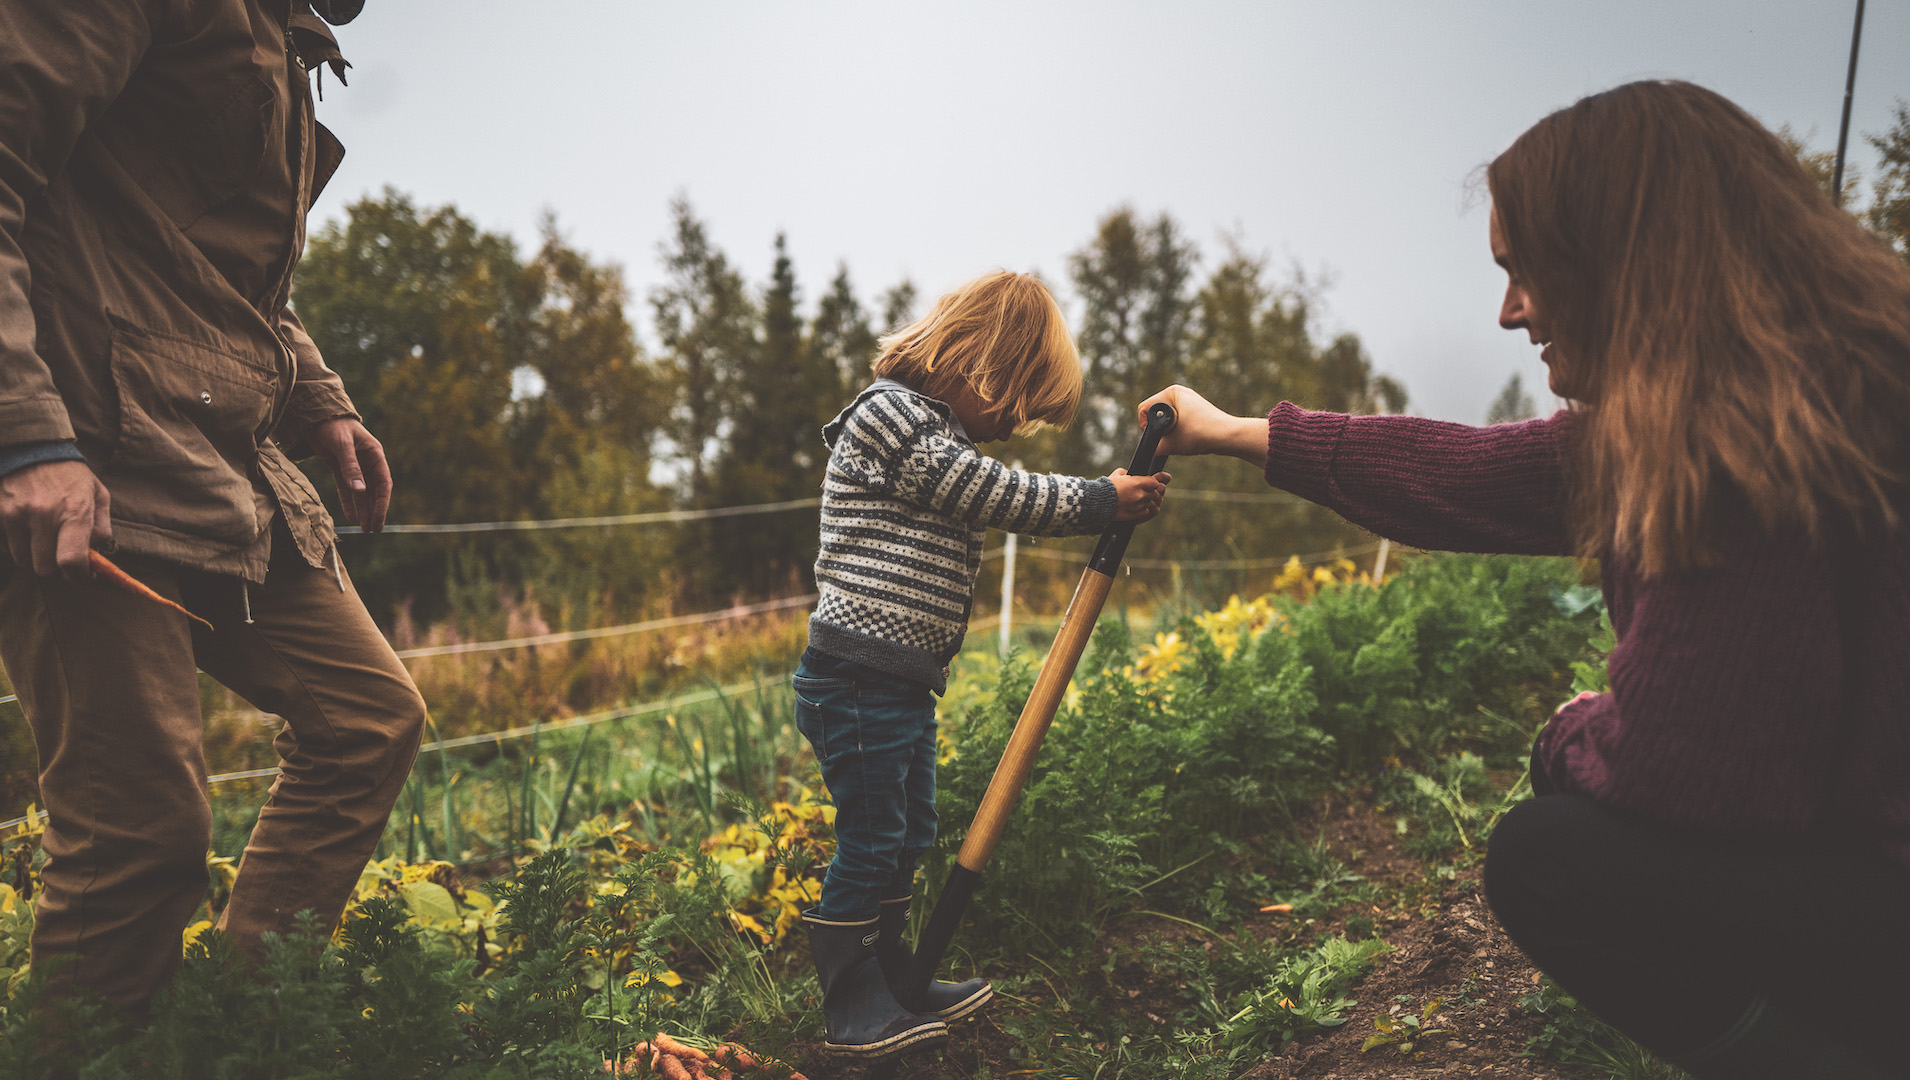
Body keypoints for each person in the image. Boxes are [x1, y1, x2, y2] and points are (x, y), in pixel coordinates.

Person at [1141, 80, 1910, 1079]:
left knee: (1549, 862)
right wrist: (1242, 434)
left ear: (1619, 255)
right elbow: (1467, 471)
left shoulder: (1742, 437)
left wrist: (1569, 729)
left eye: (1522, 271)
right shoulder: (1815, 379)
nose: (1507, 312)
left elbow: (1687, 775)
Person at [0, 0, 426, 1016]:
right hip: (85, 453)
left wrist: (319, 398)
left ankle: (232, 1037)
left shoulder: (280, 27)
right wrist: (24, 431)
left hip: (214, 440)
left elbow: (210, 263)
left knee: (368, 720)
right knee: (137, 833)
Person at [796, 270, 1169, 1058]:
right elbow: (988, 492)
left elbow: (977, 478)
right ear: (977, 359)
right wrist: (1097, 500)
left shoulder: (938, 431)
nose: (1013, 426)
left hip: (896, 683)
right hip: (853, 678)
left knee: (908, 831)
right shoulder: (890, 418)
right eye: (1016, 402)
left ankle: (891, 974)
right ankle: (849, 996)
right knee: (872, 836)